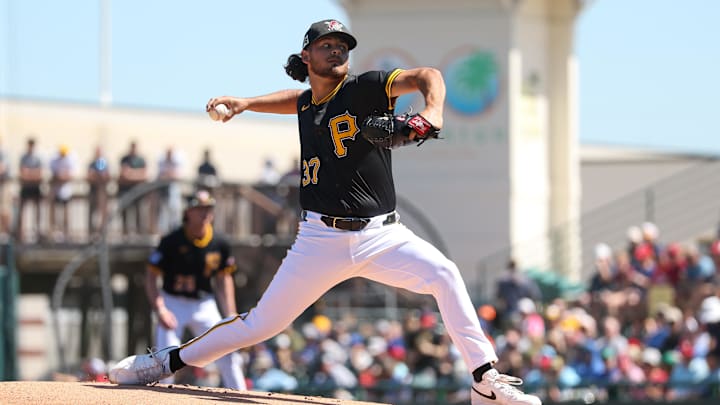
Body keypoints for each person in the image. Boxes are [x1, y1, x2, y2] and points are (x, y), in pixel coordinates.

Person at [109, 19, 541, 405]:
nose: (337, 50)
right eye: (327, 44)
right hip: (319, 240)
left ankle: (484, 380)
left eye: (343, 45)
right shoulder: (307, 105)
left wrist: (431, 112)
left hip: (382, 235)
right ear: (306, 55)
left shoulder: (366, 87)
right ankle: (165, 362)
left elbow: (430, 75)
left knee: (445, 274)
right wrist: (245, 102)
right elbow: (295, 101)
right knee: (259, 324)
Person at [143, 189, 246, 389]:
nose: (205, 213)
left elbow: (224, 279)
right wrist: (160, 309)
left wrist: (230, 313)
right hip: (173, 302)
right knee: (165, 356)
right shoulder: (171, 241)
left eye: (209, 208)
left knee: (227, 349)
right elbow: (150, 276)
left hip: (204, 303)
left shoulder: (220, 242)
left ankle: (240, 394)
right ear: (188, 211)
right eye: (200, 208)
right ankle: (160, 399)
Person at [117, 141, 148, 237]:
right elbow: (124, 174)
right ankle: (125, 232)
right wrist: (135, 174)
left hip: (138, 191)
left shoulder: (141, 160)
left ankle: (139, 232)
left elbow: (144, 175)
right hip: (125, 190)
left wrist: (131, 173)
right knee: (125, 212)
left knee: (139, 212)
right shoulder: (124, 159)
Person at [17, 137, 44, 243]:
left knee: (37, 211)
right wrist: (31, 174)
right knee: (22, 210)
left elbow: (40, 173)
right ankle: (21, 233)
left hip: (35, 187)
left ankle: (37, 232)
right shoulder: (23, 157)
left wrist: (30, 174)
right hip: (26, 187)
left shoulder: (38, 158)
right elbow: (22, 172)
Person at [48, 144, 77, 241]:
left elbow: (70, 175)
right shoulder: (54, 160)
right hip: (56, 190)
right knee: (54, 213)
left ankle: (66, 233)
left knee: (66, 214)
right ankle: (54, 233)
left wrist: (63, 176)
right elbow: (54, 175)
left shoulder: (70, 160)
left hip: (66, 191)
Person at [87, 146, 111, 236]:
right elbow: (90, 176)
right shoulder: (92, 163)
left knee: (103, 212)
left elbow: (105, 175)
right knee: (92, 212)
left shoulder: (103, 162)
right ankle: (92, 231)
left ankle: (102, 230)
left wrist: (99, 175)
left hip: (102, 191)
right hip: (93, 190)